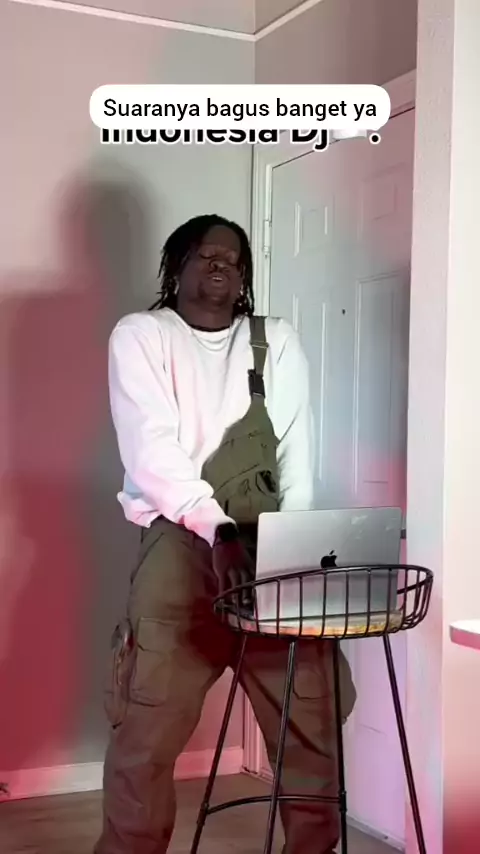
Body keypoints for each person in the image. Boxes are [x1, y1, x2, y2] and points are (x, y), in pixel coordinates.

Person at [94, 214, 356, 854]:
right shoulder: (143, 335)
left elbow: (296, 454)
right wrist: (218, 532)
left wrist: (294, 551)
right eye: (206, 255)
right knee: (147, 729)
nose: (221, 266)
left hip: (270, 544)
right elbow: (151, 451)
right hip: (179, 546)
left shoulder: (275, 341)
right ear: (176, 265)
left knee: (309, 717)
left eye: (233, 260)